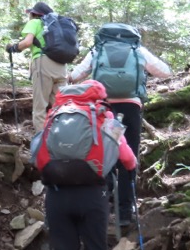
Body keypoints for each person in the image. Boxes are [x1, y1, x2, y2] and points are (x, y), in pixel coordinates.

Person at [37, 80, 138, 250]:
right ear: (100, 97)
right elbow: (126, 156)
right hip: (93, 195)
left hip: (57, 195)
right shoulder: (105, 116)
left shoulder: (55, 115)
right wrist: (130, 167)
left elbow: (37, 152)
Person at [67, 29, 171, 227]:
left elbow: (76, 75)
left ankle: (102, 206)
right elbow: (165, 71)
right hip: (130, 108)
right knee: (128, 155)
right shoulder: (137, 49)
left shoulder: (98, 50)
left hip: (105, 109)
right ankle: (125, 211)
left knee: (104, 153)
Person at [5, 2, 67, 131]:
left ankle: (42, 144)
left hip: (43, 64)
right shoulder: (58, 25)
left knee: (40, 107)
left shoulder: (35, 22)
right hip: (61, 65)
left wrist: (14, 48)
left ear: (34, 14)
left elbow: (27, 42)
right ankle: (63, 138)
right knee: (61, 105)